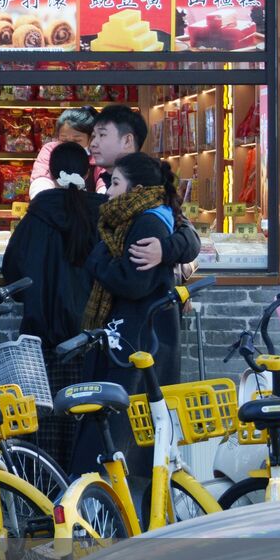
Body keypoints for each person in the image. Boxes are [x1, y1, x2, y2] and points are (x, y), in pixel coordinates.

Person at [68, 153, 182, 478]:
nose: (108, 191)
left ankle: (109, 504)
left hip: (137, 341)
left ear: (137, 188)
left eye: (115, 183)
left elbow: (134, 282)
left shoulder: (146, 221)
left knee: (119, 429)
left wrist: (98, 260)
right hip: (135, 337)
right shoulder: (135, 218)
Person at [2, 142, 99, 467]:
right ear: (89, 171)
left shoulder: (38, 214)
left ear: (51, 172)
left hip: (41, 335)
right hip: (89, 336)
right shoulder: (100, 212)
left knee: (43, 418)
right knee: (85, 413)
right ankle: (86, 489)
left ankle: (45, 498)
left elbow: (12, 271)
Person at [89, 104, 201, 385]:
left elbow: (189, 238)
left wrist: (164, 249)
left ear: (128, 140)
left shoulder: (149, 192)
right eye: (92, 135)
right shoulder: (100, 182)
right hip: (105, 319)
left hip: (133, 326)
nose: (93, 142)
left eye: (102, 135)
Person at [28, 106, 97, 199]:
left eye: (77, 140)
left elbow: (104, 182)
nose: (70, 145)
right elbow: (41, 178)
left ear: (90, 139)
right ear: (58, 137)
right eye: (64, 140)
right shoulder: (50, 150)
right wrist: (43, 200)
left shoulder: (97, 153)